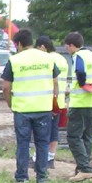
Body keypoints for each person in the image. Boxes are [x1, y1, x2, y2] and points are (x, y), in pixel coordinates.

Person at [1, 29, 59, 183]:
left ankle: (21, 178)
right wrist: (53, 102)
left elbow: (6, 87)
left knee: (23, 144)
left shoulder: (15, 60)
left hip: (22, 110)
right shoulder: (48, 59)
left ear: (19, 44)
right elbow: (55, 83)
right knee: (42, 143)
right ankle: (42, 178)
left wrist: (11, 104)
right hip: (43, 109)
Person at [63, 31, 92, 182]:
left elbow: (80, 71)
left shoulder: (78, 56)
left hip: (82, 102)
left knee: (73, 136)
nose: (67, 50)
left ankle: (85, 169)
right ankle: (82, 168)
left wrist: (83, 84)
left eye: (67, 47)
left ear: (71, 45)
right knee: (87, 136)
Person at [34, 35, 70, 169]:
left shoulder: (47, 59)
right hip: (59, 101)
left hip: (47, 101)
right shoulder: (62, 59)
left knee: (42, 132)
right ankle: (50, 158)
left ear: (43, 46)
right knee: (54, 132)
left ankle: (38, 159)